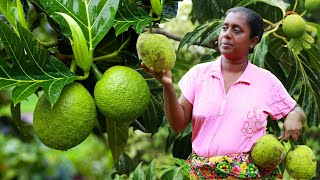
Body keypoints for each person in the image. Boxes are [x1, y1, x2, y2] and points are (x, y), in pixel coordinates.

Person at [142, 6, 306, 179]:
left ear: (253, 42)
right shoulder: (199, 74)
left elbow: (297, 111)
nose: (227, 34)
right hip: (202, 173)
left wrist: (295, 116)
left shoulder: (265, 81)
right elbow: (178, 125)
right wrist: (167, 86)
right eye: (224, 27)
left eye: (237, 30)